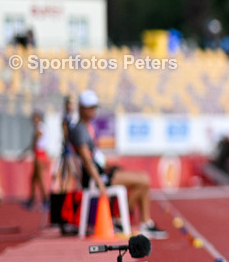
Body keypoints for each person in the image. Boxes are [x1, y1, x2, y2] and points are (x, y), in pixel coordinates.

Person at [68, 90, 167, 238]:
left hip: (100, 173)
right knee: (144, 180)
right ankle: (127, 220)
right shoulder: (80, 129)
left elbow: (93, 158)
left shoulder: (85, 127)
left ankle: (139, 221)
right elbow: (86, 160)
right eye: (90, 107)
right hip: (95, 178)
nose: (93, 111)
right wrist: (99, 181)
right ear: (81, 108)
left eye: (94, 107)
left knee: (142, 179)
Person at [25, 110, 50, 210]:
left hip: (40, 155)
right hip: (38, 154)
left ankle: (46, 200)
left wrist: (34, 140)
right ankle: (32, 199)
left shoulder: (40, 127)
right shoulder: (39, 127)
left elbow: (37, 137)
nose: (34, 120)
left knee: (39, 179)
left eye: (35, 117)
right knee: (33, 179)